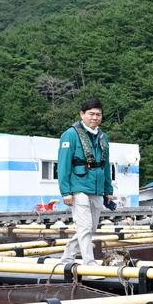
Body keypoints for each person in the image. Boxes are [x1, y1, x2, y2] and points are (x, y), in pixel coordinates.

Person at [58, 98, 116, 264]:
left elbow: (106, 165)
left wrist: (108, 190)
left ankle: (67, 256)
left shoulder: (103, 137)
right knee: (84, 227)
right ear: (82, 114)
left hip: (96, 188)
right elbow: (63, 165)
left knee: (91, 228)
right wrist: (66, 192)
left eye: (98, 114)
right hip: (79, 186)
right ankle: (89, 263)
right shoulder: (70, 135)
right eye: (91, 114)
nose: (95, 117)